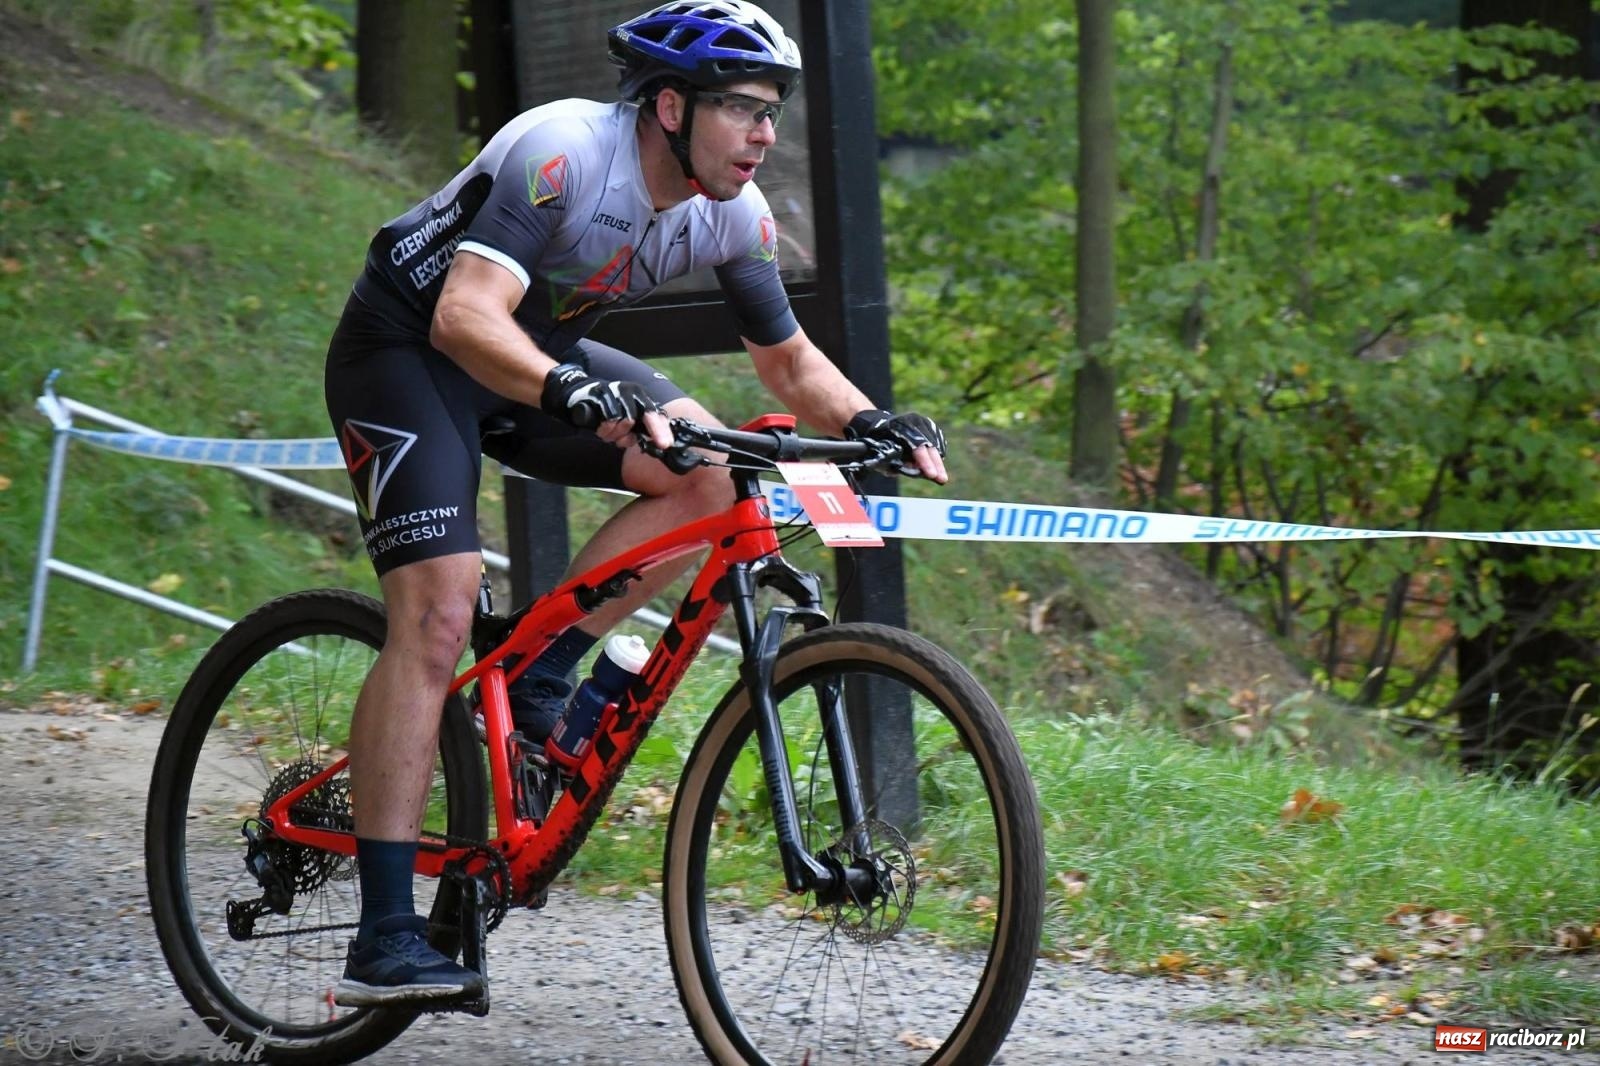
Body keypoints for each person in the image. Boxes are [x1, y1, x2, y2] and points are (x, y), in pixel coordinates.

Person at [323, 0, 947, 1007]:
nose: (765, 134)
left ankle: (541, 676)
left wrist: (879, 420)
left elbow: (785, 360)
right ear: (668, 105)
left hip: (539, 358)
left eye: (774, 111)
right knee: (437, 616)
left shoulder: (734, 212)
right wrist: (568, 390)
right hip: (410, 355)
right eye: (743, 109)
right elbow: (465, 314)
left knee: (705, 467)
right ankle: (384, 931)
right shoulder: (561, 154)